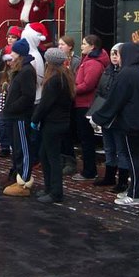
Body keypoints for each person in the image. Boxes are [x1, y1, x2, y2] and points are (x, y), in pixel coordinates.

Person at [92, 42, 139, 206]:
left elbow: (116, 100)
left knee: (133, 158)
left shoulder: (125, 74)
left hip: (130, 121)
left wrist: (98, 117)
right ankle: (133, 189)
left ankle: (135, 194)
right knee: (136, 156)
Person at [31, 48, 75, 203]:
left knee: (52, 158)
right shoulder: (65, 76)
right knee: (45, 154)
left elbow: (45, 104)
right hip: (59, 122)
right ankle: (49, 188)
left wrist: (35, 119)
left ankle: (56, 192)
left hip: (53, 123)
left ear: (49, 62)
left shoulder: (54, 80)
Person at [90, 43, 129, 193]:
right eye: (112, 54)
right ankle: (110, 175)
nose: (114, 57)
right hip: (106, 113)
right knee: (108, 146)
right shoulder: (107, 71)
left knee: (121, 149)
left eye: (117, 54)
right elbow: (100, 91)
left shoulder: (124, 74)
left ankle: (123, 180)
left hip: (118, 117)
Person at [2, 38, 37, 197]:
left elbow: (28, 96)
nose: (11, 55)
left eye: (14, 52)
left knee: (23, 149)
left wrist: (12, 107)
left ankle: (24, 180)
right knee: (16, 148)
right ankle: (18, 176)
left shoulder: (27, 71)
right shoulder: (20, 70)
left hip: (21, 116)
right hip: (15, 116)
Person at [72, 34, 109, 181]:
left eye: (84, 43)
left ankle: (89, 171)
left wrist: (72, 89)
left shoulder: (93, 63)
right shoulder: (88, 60)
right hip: (83, 103)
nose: (81, 46)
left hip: (85, 104)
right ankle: (88, 169)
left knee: (86, 139)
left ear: (92, 46)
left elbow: (88, 84)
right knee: (85, 138)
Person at [0, 25, 22, 157]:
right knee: (2, 119)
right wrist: (2, 80)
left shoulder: (21, 53)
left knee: (12, 120)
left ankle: (13, 145)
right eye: (9, 36)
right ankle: (4, 146)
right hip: (3, 88)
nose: (10, 39)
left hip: (14, 90)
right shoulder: (3, 51)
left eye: (13, 37)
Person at [58, 34, 81, 175]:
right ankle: (61, 158)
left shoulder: (75, 61)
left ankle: (70, 161)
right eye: (59, 44)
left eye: (62, 44)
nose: (60, 46)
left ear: (70, 46)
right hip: (60, 99)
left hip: (70, 100)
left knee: (68, 132)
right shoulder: (57, 60)